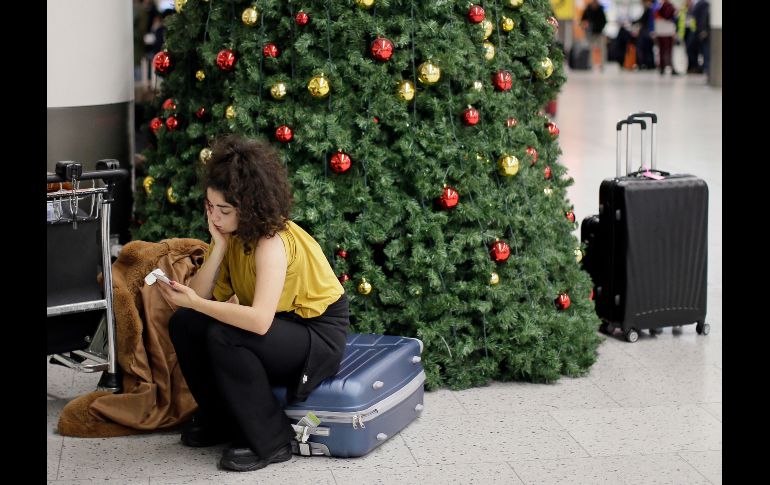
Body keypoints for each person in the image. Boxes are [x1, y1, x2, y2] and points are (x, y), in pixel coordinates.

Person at [157, 135, 350, 472]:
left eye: (224, 210)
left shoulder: (270, 242)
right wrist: (216, 245)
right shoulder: (232, 235)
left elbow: (259, 321)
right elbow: (197, 300)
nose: (214, 217)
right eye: (209, 207)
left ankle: (272, 441)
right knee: (185, 324)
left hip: (314, 333)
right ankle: (221, 421)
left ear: (249, 207)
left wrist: (196, 303)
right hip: (280, 324)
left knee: (225, 335)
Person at [654, 0, 679, 75]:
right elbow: (667, 16)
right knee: (668, 51)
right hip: (667, 32)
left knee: (662, 51)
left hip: (660, 31)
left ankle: (662, 68)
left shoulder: (658, 5)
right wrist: (675, 12)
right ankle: (670, 67)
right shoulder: (668, 5)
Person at [581, 0, 607, 71]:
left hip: (599, 33)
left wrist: (600, 27)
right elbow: (582, 21)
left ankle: (602, 65)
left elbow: (604, 21)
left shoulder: (600, 10)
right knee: (590, 49)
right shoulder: (587, 10)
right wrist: (586, 27)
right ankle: (589, 65)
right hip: (590, 34)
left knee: (602, 49)